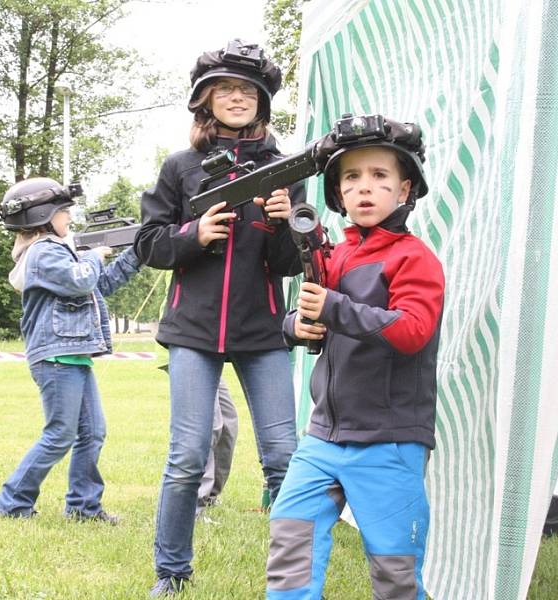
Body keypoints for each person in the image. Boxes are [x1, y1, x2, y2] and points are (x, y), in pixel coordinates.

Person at [134, 39, 303, 596]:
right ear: (205, 101)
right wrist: (194, 234)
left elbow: (290, 264)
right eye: (226, 89)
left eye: (247, 91)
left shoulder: (286, 168)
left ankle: (293, 580)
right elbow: (148, 243)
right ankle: (171, 574)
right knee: (186, 457)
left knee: (283, 457)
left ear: (262, 102)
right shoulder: (180, 167)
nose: (237, 98)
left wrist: (283, 223)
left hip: (263, 334)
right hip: (194, 334)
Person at [266, 119, 445, 600]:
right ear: (337, 193)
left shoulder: (415, 258)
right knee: (290, 545)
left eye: (380, 177)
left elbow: (412, 331)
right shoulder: (333, 255)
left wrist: (334, 308)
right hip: (322, 437)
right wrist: (296, 325)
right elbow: (308, 311)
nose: (365, 187)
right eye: (351, 178)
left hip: (388, 442)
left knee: (395, 576)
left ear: (405, 189)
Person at [0, 177, 140, 523]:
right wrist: (92, 257)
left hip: (72, 354)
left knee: (92, 432)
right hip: (55, 357)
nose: (70, 217)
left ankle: (83, 508)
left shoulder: (62, 252)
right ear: (43, 216)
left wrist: (136, 254)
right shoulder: (43, 253)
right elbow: (82, 279)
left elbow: (100, 284)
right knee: (60, 434)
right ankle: (11, 503)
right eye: (64, 211)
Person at [196, 378, 238, 518]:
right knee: (209, 426)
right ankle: (194, 507)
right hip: (195, 359)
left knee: (227, 426)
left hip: (216, 361)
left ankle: (209, 498)